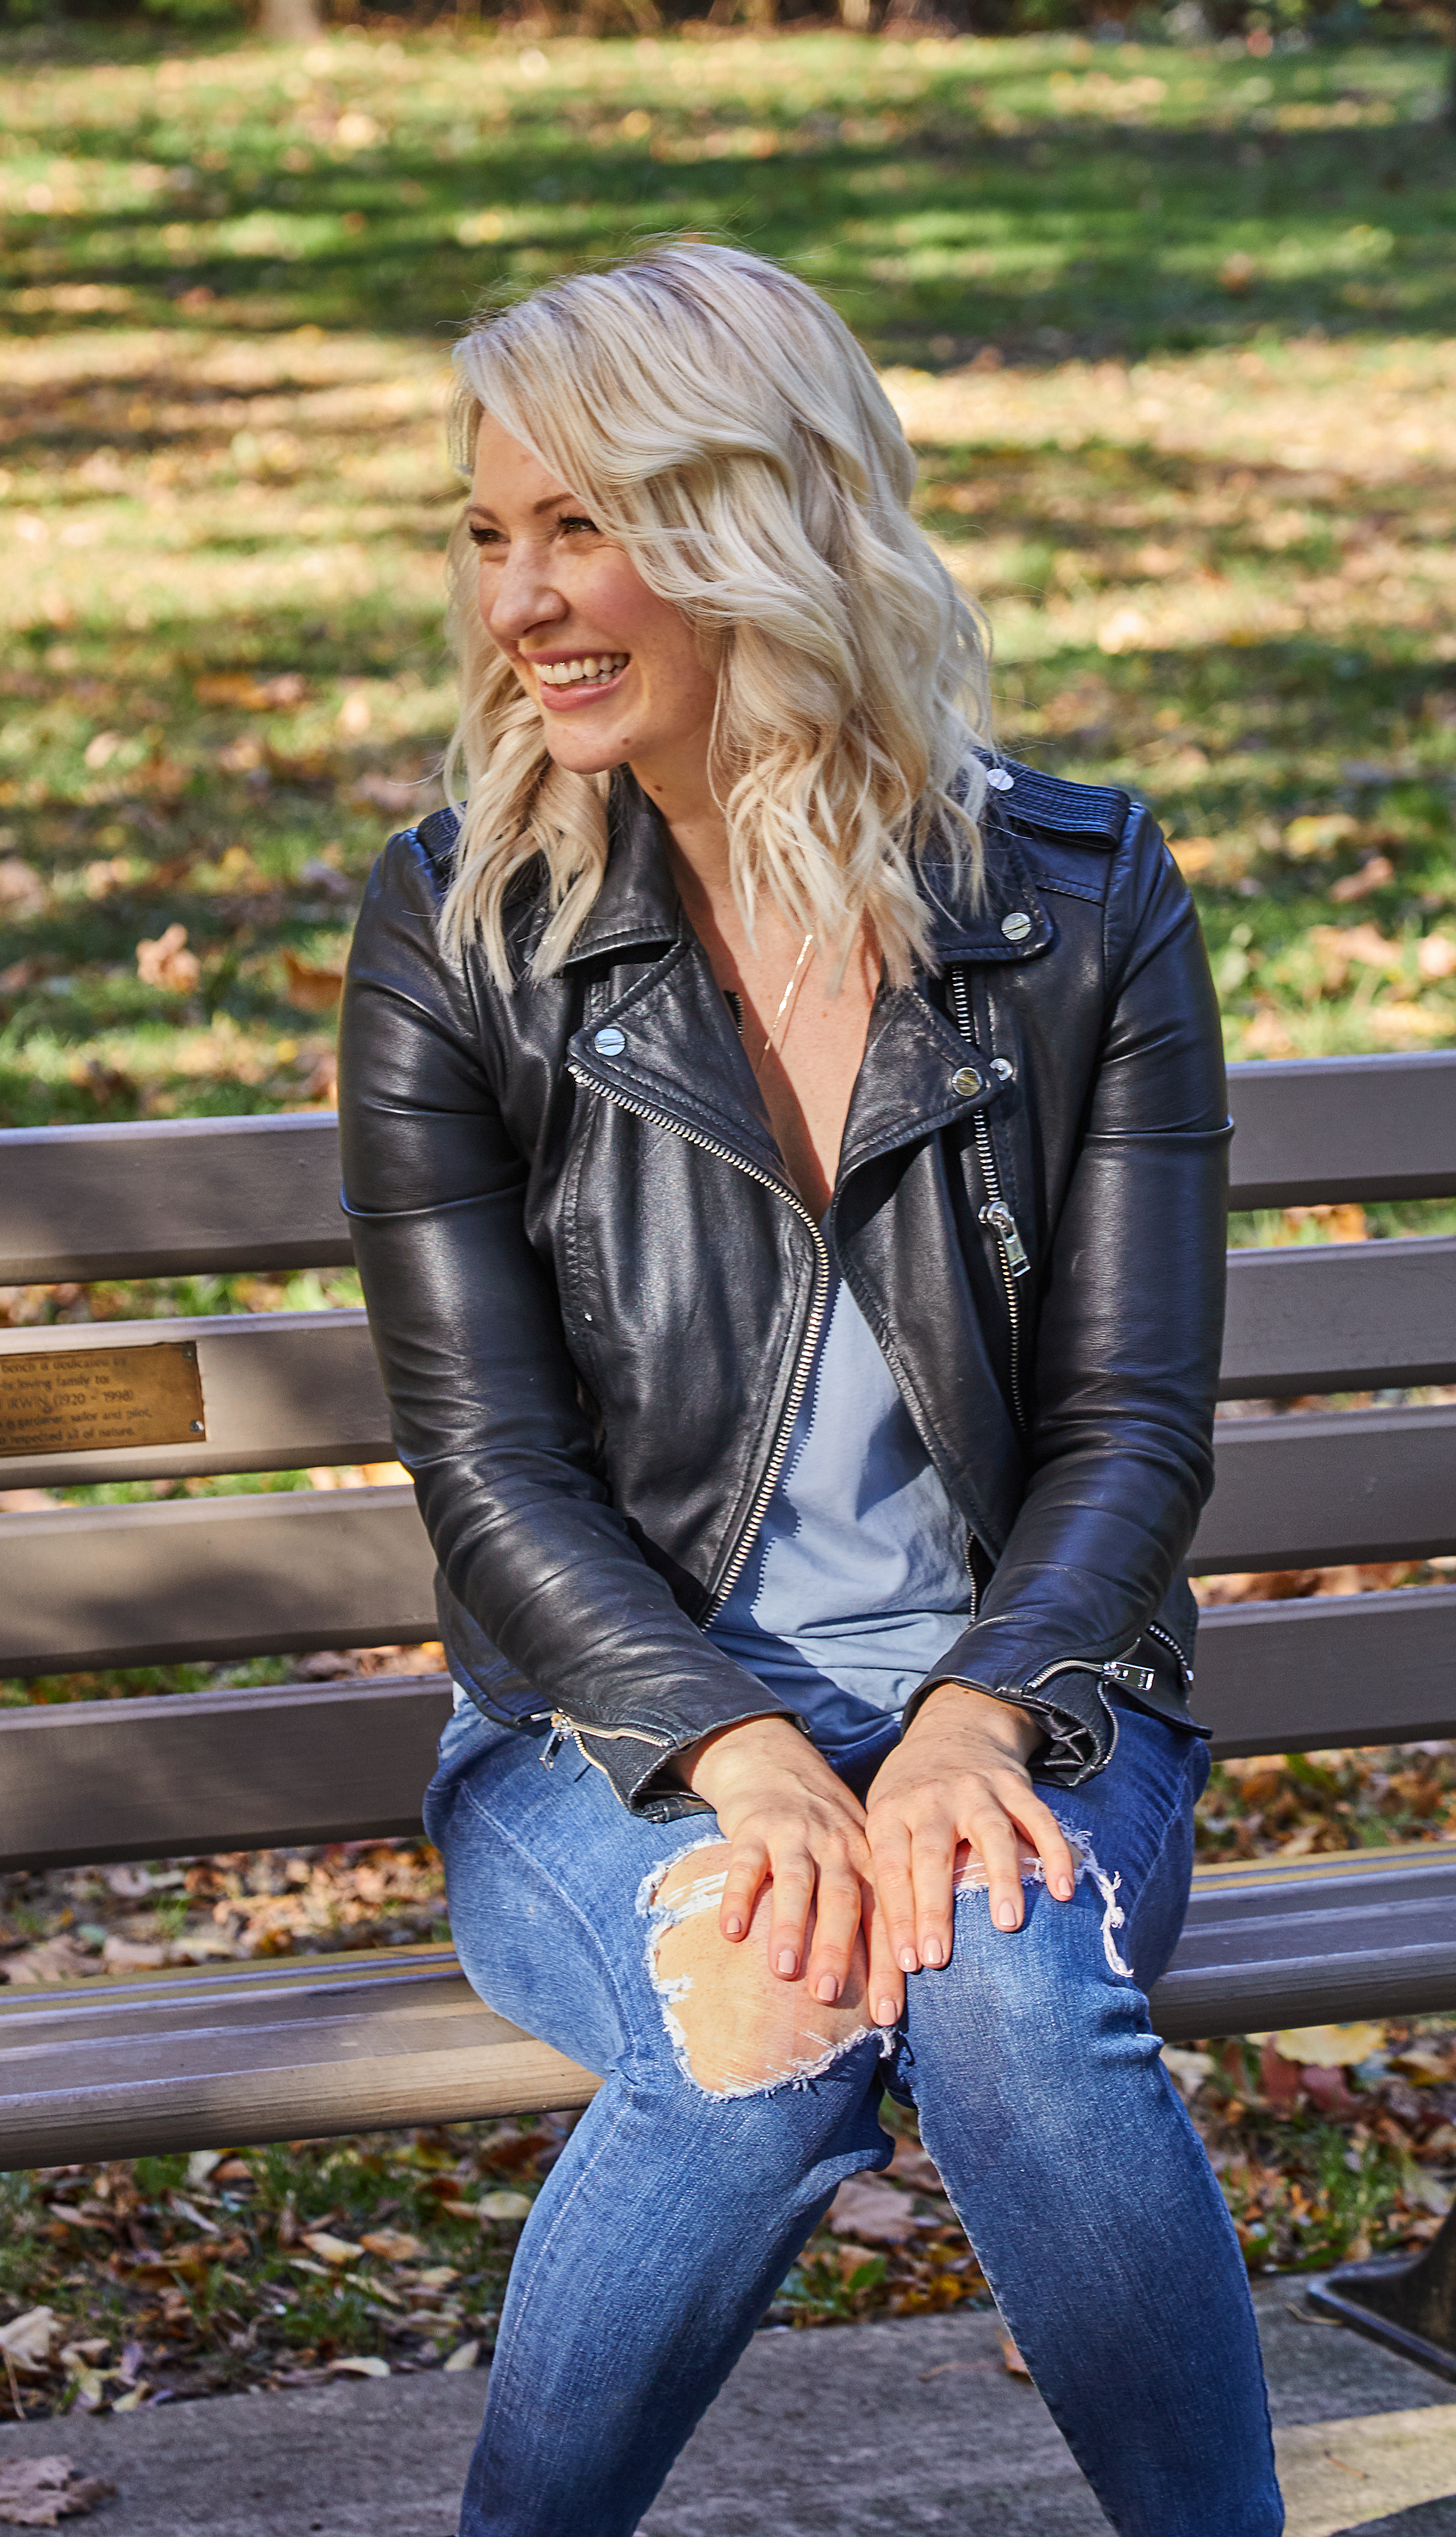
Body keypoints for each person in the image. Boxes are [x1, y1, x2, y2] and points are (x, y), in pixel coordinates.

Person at [338, 241, 1280, 2537]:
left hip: (1033, 1699)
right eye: (489, 535)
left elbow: (1132, 1420)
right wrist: (740, 1759)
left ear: (768, 523)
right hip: (616, 1728)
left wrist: (972, 1722)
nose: (521, 605)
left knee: (995, 1996)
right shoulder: (462, 933)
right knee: (752, 2031)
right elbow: (487, 1469)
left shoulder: (1075, 902)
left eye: (587, 528)